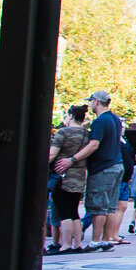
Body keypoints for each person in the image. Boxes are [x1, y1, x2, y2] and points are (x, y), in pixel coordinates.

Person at [76, 91, 126, 248]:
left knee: (98, 206)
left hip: (103, 167)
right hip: (117, 164)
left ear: (96, 102)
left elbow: (94, 144)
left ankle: (95, 241)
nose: (90, 105)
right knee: (111, 206)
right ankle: (106, 239)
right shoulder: (115, 119)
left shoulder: (99, 121)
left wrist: (74, 158)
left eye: (91, 101)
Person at [49, 104, 91, 252]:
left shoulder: (63, 133)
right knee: (74, 211)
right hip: (79, 175)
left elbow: (52, 154)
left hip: (63, 176)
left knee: (64, 211)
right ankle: (77, 244)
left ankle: (66, 244)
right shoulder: (87, 134)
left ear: (71, 116)